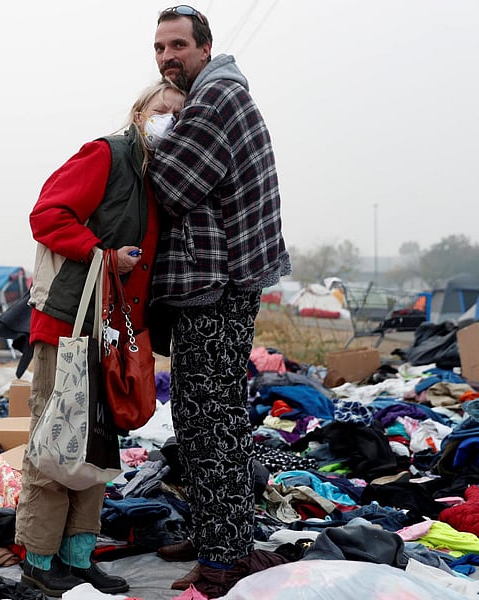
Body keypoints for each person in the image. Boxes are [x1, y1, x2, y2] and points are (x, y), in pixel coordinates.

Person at [16, 80, 185, 597]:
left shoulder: (158, 177)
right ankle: (40, 557)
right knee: (54, 437)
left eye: (180, 116)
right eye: (162, 110)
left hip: (111, 333)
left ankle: (79, 555)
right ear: (139, 111)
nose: (168, 121)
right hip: (69, 323)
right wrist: (102, 254)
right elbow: (47, 215)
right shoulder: (106, 155)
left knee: (97, 444)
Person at [147, 4, 292, 595]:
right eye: (159, 48)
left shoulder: (217, 98)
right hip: (213, 285)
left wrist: (149, 139)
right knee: (200, 417)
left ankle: (225, 558)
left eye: (177, 46)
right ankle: (217, 537)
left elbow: (169, 185)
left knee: (213, 422)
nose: (166, 58)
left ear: (204, 48)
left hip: (218, 286)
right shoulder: (213, 96)